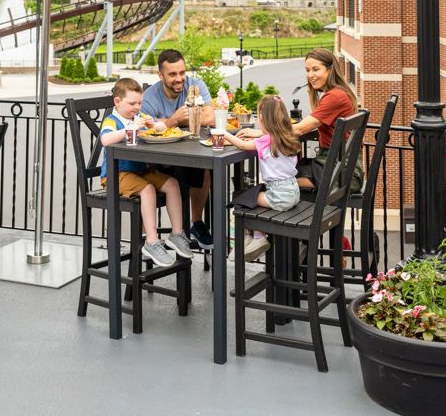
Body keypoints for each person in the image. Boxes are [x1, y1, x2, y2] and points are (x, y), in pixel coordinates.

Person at [99, 77, 194, 268]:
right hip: (116, 175)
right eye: (132, 103)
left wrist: (152, 124)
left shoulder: (138, 117)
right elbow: (106, 139)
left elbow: (160, 127)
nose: (137, 107)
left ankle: (176, 234)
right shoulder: (112, 120)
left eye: (140, 103)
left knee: (172, 184)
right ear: (117, 102)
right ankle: (151, 241)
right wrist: (129, 129)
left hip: (140, 171)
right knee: (148, 189)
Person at [139, 48, 216, 250]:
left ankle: (196, 224)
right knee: (190, 172)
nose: (179, 79)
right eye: (172, 74)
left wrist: (176, 120)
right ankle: (157, 236)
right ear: (160, 75)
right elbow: (147, 128)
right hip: (159, 160)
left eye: (182, 72)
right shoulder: (150, 96)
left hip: (191, 153)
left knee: (205, 169)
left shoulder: (195, 85)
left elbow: (211, 117)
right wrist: (175, 119)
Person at [224, 95, 302, 261]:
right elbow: (264, 142)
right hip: (293, 192)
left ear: (261, 118)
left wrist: (225, 134)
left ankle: (250, 241)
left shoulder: (265, 141)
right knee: (251, 196)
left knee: (241, 199)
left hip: (279, 196)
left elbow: (243, 145)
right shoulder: (288, 136)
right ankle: (254, 238)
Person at [291, 48, 360, 191]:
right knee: (286, 175)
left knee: (280, 181)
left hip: (341, 173)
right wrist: (312, 92)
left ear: (330, 70)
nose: (310, 75)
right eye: (308, 70)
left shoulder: (334, 97)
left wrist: (261, 133)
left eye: (316, 69)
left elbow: (299, 129)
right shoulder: (339, 93)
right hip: (339, 166)